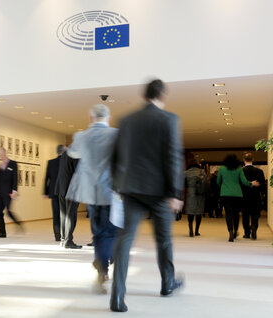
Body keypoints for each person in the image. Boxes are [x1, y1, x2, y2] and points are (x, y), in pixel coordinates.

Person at [110, 79, 185, 312]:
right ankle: (167, 284)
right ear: (162, 95)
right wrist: (175, 193)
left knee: (125, 240)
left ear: (144, 95)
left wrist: (116, 183)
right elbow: (173, 157)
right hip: (160, 192)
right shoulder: (169, 119)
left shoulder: (126, 120)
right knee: (163, 241)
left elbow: (115, 155)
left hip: (131, 189)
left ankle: (117, 297)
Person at [65, 104, 118, 294]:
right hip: (111, 190)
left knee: (97, 232)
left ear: (90, 118)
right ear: (109, 118)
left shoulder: (81, 136)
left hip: (89, 191)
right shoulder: (116, 134)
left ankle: (101, 266)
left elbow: (72, 153)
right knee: (111, 231)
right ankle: (104, 261)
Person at [217, 154, 259, 242]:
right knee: (236, 214)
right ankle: (236, 231)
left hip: (225, 194)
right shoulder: (239, 169)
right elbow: (244, 181)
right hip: (237, 194)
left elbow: (218, 182)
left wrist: (223, 186)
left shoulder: (221, 169)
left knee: (228, 214)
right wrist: (251, 184)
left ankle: (230, 232)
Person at [53, 147, 81, 249]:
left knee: (64, 215)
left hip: (61, 188)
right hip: (71, 189)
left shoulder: (65, 154)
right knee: (70, 215)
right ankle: (68, 241)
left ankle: (63, 240)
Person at [0, 147, 22, 237]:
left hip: (9, 193)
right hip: (0, 193)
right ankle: (2, 232)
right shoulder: (0, 166)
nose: (0, 155)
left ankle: (18, 223)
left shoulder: (13, 164)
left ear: (5, 153)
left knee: (8, 211)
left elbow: (15, 178)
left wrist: (15, 190)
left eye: (1, 153)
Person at [241, 153, 266, 240]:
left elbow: (239, 184)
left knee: (245, 215)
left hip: (244, 197)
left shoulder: (241, 171)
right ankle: (254, 229)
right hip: (255, 196)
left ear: (244, 160)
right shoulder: (259, 172)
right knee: (255, 214)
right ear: (253, 160)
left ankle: (247, 233)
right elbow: (263, 185)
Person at [44, 145, 66, 241]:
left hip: (53, 192)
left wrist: (45, 192)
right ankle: (65, 235)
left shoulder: (51, 162)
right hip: (64, 192)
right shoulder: (67, 162)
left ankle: (57, 236)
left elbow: (46, 178)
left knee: (56, 214)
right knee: (65, 214)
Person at [184, 161, 207, 237]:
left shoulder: (186, 173)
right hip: (200, 194)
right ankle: (197, 231)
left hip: (190, 193)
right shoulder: (202, 172)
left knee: (190, 212)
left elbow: (183, 184)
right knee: (198, 212)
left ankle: (191, 230)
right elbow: (206, 183)